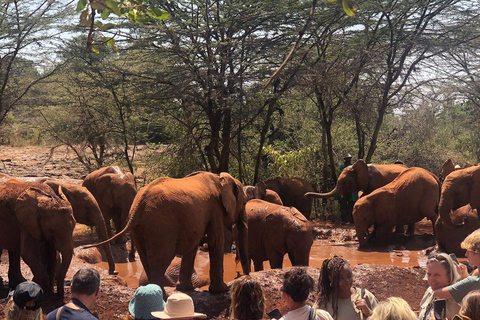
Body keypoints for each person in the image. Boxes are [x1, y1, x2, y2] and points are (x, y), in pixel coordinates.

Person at [435, 229, 480, 303]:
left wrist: (458, 278)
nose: (466, 254)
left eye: (470, 251)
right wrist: (465, 277)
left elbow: (438, 294)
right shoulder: (475, 277)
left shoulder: (473, 282)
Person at [418, 253, 461, 320]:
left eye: (436, 275)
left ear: (449, 277)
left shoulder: (459, 301)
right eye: (429, 274)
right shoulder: (429, 291)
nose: (431, 279)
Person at [337, 154, 357, 223]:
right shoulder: (342, 167)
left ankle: (352, 220)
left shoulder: (353, 167)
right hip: (344, 188)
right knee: (343, 204)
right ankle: (344, 220)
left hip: (352, 188)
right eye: (347, 159)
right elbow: (340, 176)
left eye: (349, 158)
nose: (348, 160)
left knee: (352, 204)